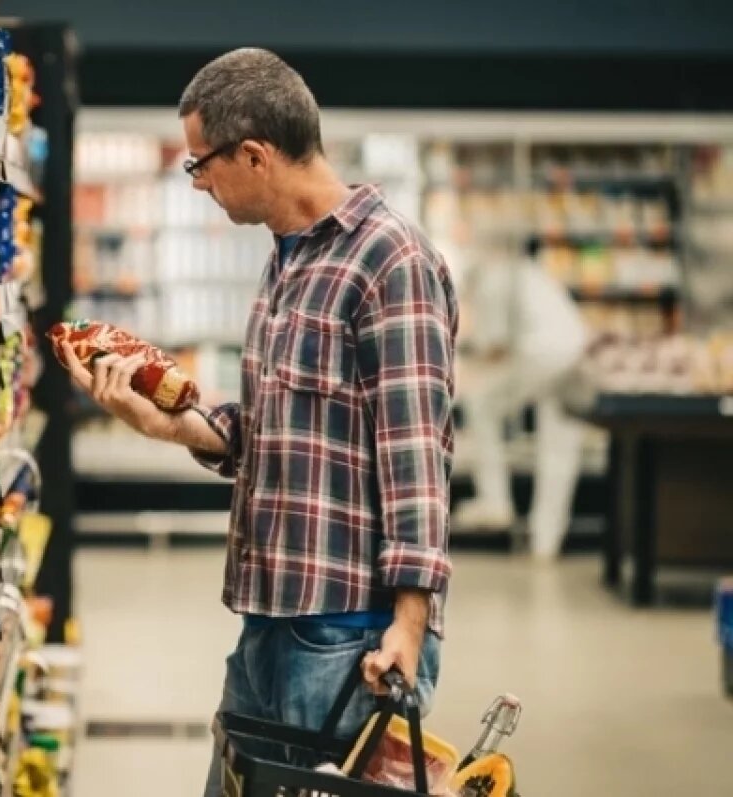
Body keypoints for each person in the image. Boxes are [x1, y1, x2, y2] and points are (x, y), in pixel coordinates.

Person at [58, 49, 457, 795]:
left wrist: (410, 623)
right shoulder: (290, 259)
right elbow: (267, 430)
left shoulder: (388, 260)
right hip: (270, 618)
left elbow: (417, 460)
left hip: (349, 631)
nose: (199, 181)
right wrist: (161, 421)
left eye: (199, 164)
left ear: (254, 154)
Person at [452, 238, 590, 560]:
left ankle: (496, 501)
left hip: (540, 354)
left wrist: (464, 361)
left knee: (481, 406)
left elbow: (497, 348)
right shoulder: (525, 273)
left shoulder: (489, 283)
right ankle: (546, 541)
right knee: (560, 447)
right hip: (574, 353)